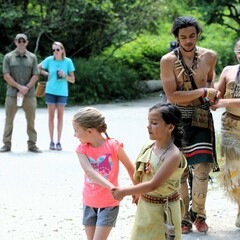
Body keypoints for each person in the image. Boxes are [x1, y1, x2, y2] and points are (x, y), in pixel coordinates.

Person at [160, 16, 220, 234]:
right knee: (181, 171)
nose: (188, 40)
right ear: (176, 37)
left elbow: (211, 82)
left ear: (198, 35)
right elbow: (171, 95)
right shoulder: (167, 61)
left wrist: (213, 96)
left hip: (201, 117)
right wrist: (204, 92)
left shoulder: (210, 56)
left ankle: (200, 215)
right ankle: (183, 219)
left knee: (202, 169)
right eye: (183, 37)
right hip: (176, 119)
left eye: (192, 36)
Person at [112, 103, 187, 240]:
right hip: (145, 207)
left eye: (154, 123)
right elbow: (142, 175)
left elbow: (153, 184)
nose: (148, 126)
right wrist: (137, 192)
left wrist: (124, 191)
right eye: (148, 122)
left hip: (164, 211)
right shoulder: (149, 146)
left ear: (170, 127)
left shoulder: (173, 155)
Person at [72, 107, 136, 240]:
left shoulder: (114, 146)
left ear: (89, 131)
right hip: (89, 202)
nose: (74, 135)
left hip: (109, 203)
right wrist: (112, 187)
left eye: (76, 130)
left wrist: (137, 190)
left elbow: (131, 168)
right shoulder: (81, 149)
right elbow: (90, 172)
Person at [214, 38, 240, 228]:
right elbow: (217, 94)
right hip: (231, 126)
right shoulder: (228, 70)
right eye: (239, 50)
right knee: (233, 173)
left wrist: (223, 103)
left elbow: (222, 102)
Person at [0, 33, 41, 153]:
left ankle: (32, 144)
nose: (21, 43)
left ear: (27, 43)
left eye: (24, 41)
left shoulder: (32, 57)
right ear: (15, 42)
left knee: (31, 119)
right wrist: (19, 87)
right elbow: (6, 75)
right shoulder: (9, 57)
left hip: (29, 94)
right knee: (9, 119)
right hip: (12, 93)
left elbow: (36, 74)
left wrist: (26, 88)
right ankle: (6, 144)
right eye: (19, 41)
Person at [38, 41, 75, 151]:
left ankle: (58, 141)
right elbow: (38, 68)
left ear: (62, 50)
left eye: (57, 50)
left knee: (60, 117)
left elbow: (73, 80)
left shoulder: (68, 62)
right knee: (51, 117)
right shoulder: (49, 60)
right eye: (53, 50)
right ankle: (51, 141)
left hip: (62, 92)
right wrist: (47, 74)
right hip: (50, 91)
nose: (55, 52)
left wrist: (64, 75)